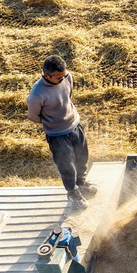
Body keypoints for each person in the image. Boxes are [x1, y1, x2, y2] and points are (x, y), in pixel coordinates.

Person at [27, 55, 96, 210]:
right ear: (46, 75)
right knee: (67, 165)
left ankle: (82, 183)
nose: (63, 79)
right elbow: (33, 116)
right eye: (58, 78)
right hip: (57, 134)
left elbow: (68, 96)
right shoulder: (37, 94)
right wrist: (54, 123)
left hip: (75, 125)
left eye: (64, 75)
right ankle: (73, 193)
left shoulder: (66, 77)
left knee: (81, 158)